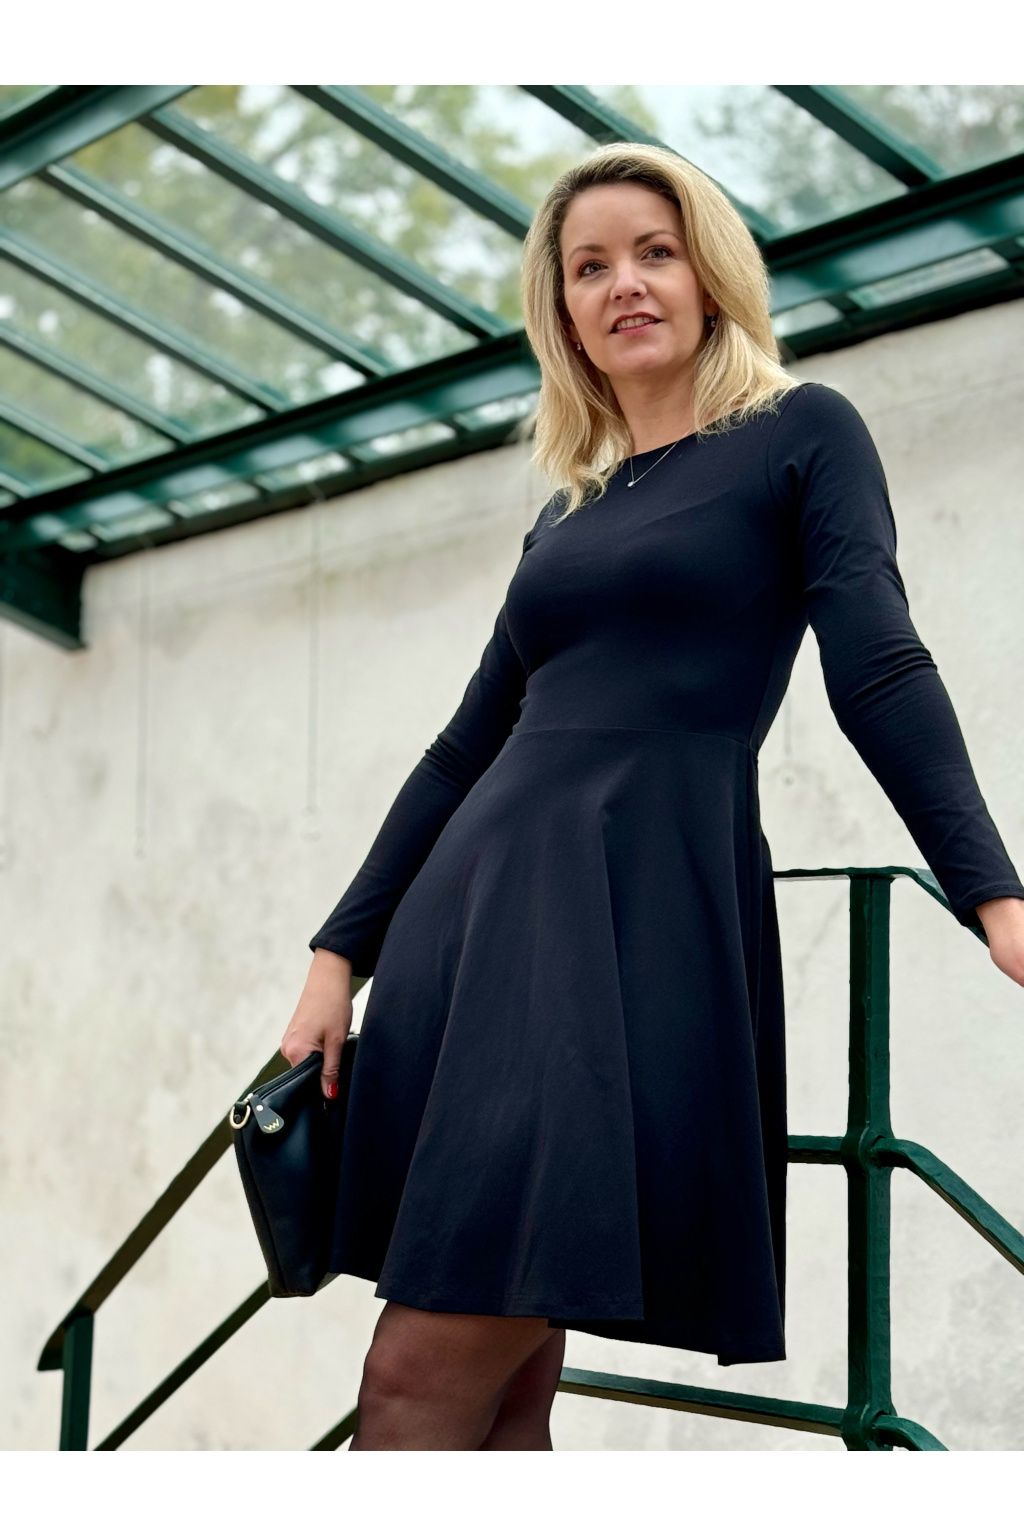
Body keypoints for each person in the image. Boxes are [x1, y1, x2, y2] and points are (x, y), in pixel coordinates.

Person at [279, 142, 1024, 1451]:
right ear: (562, 310)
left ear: (710, 274)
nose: (624, 282)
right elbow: (463, 748)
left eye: (655, 252)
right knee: (506, 1391)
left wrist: (992, 893)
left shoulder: (802, 433)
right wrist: (339, 954)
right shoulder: (566, 511)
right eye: (590, 266)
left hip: (630, 923)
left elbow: (880, 669)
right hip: (481, 931)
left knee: (414, 1374)